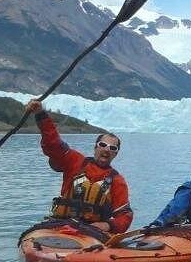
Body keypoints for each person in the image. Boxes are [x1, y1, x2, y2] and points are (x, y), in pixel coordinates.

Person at [25, 99, 132, 233]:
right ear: (95, 147)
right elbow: (54, 145)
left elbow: (124, 216)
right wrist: (41, 114)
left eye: (112, 148)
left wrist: (108, 225)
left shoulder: (117, 181)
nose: (106, 150)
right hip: (61, 225)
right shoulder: (75, 161)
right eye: (103, 145)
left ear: (116, 154)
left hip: (92, 232)